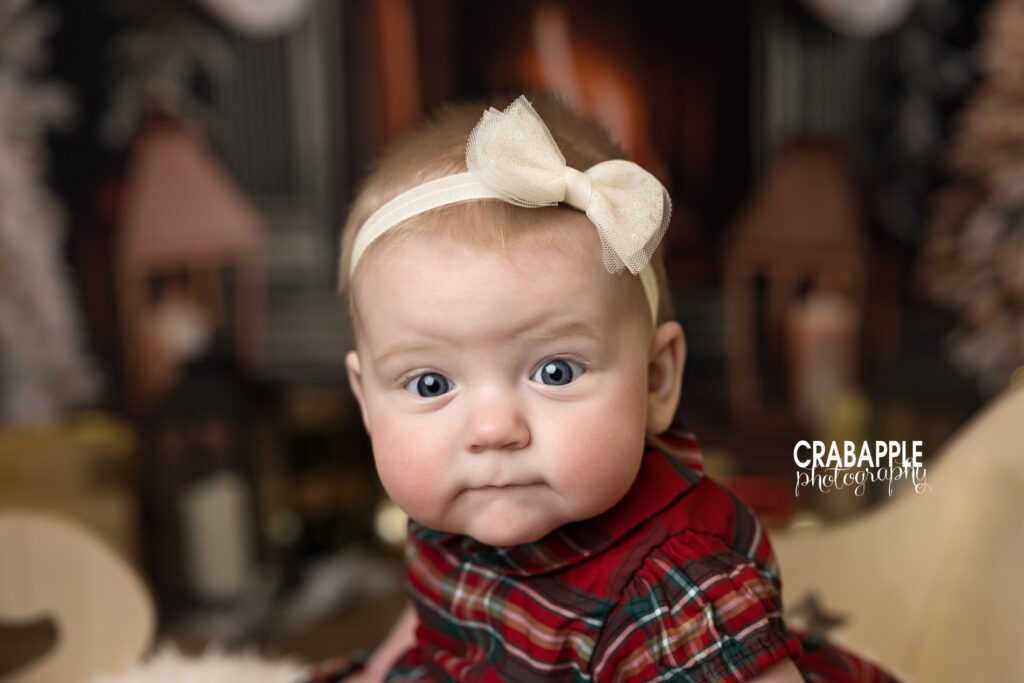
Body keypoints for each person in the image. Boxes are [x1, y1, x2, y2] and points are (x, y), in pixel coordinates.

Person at [306, 94, 896, 682]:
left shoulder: (671, 588)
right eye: (430, 383)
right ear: (367, 400)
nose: (492, 430)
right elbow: (440, 619)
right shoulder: (455, 500)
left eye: (555, 372)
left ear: (656, 380)